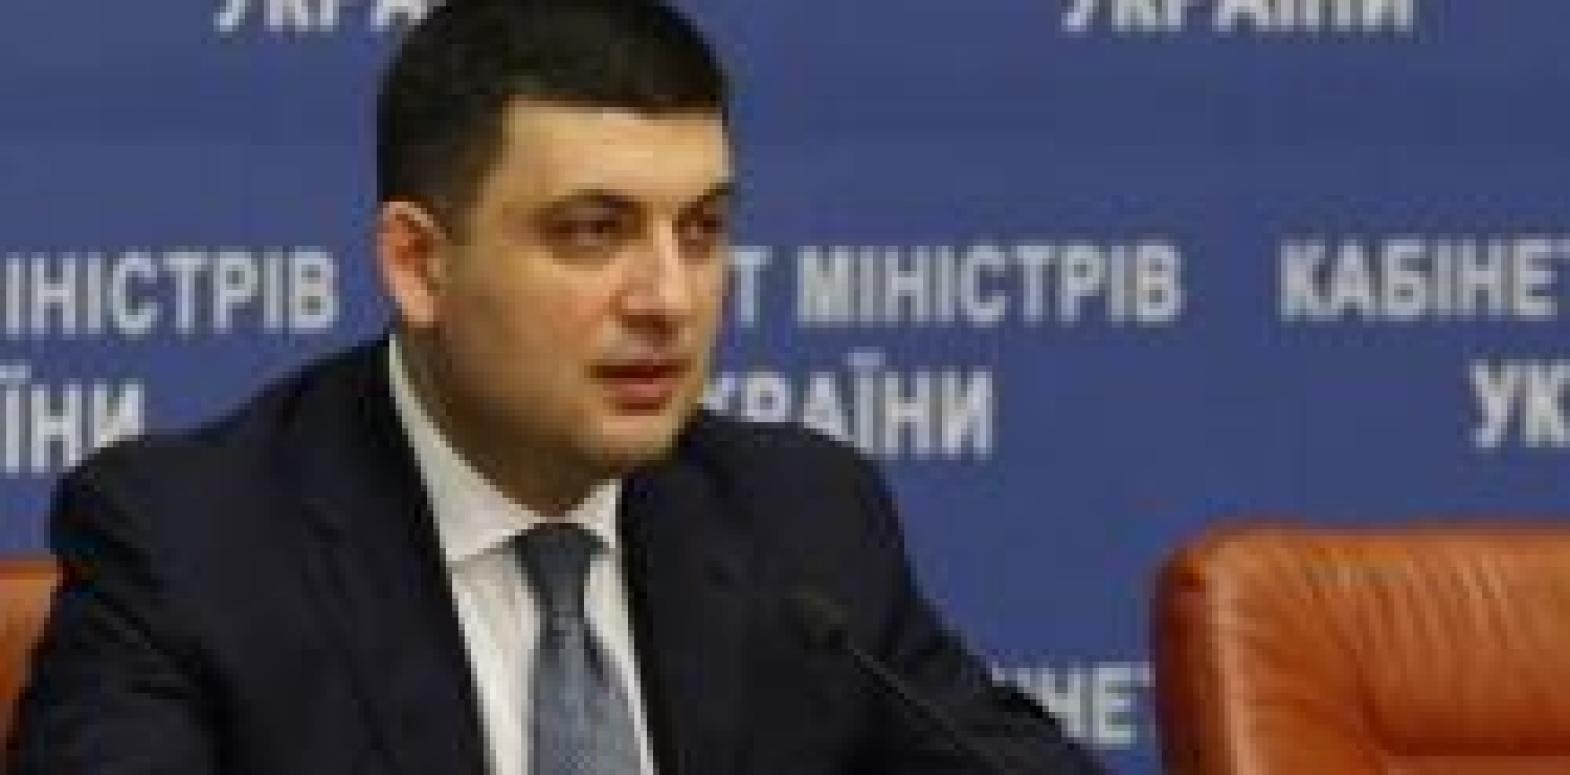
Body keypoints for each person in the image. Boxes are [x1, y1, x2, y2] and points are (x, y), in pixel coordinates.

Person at [6, 1, 1103, 772]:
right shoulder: (194, 544)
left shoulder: (800, 518)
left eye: (702, 229)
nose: (669, 296)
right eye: (593, 231)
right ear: (418, 263)